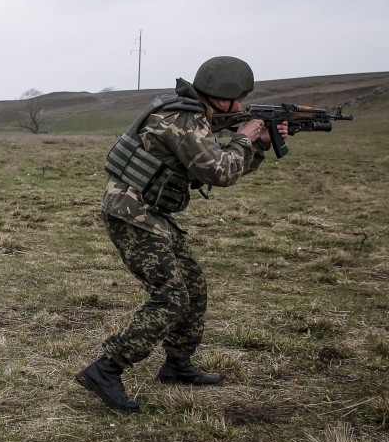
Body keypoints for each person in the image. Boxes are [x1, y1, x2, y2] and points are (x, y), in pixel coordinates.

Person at [76, 56, 291, 412]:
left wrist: (259, 143)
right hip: (132, 213)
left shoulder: (191, 113)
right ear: (217, 96)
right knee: (172, 296)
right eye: (235, 100)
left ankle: (177, 365)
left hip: (151, 212)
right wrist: (244, 138)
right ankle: (106, 369)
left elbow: (223, 169)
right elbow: (219, 172)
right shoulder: (183, 119)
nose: (239, 107)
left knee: (193, 286)